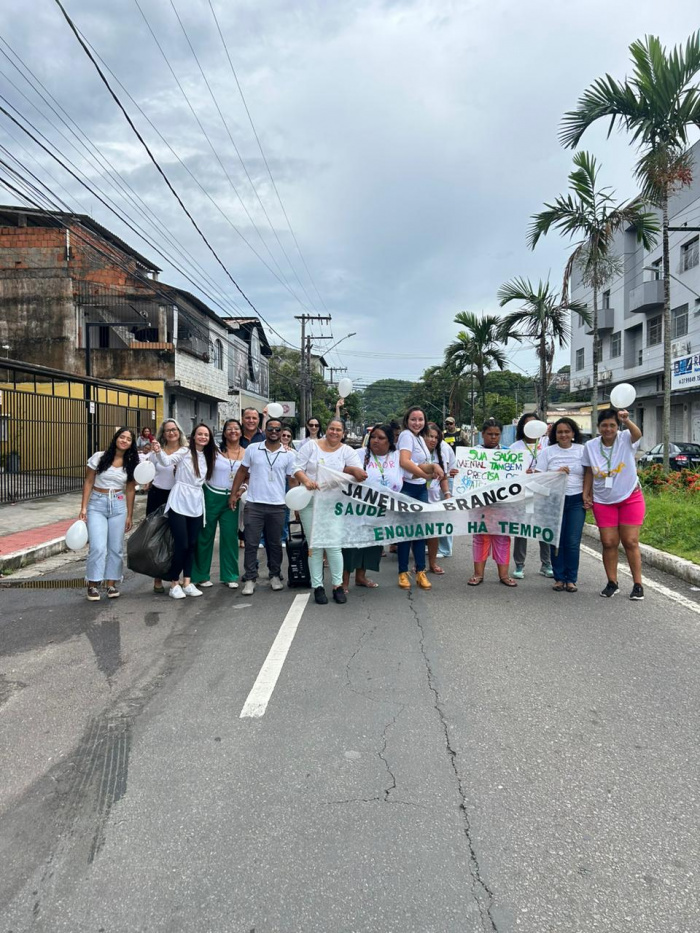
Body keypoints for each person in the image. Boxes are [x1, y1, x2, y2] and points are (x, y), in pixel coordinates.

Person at [294, 416, 367, 604]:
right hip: (310, 501)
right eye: (331, 428)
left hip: (334, 503)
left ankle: (337, 586)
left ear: (343, 433)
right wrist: (306, 481)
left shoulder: (347, 451)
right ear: (326, 429)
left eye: (338, 430)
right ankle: (317, 586)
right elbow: (296, 468)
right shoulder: (311, 446)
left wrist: (353, 472)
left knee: (334, 546)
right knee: (315, 546)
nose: (334, 432)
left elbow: (356, 475)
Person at [230, 418, 303, 596]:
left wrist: (297, 506)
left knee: (275, 544)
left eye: (278, 430)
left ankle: (275, 575)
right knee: (251, 543)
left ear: (281, 432)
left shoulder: (289, 455)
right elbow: (242, 472)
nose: (274, 432)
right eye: (270, 428)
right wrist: (233, 493)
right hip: (254, 504)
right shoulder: (253, 449)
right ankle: (250, 578)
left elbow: (292, 480)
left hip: (278, 505)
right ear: (265, 430)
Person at [582, 408, 645, 600]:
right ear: (598, 427)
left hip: (630, 497)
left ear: (617, 427)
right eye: (604, 425)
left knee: (630, 541)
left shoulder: (625, 438)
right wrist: (586, 493)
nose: (608, 429)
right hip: (603, 500)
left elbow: (637, 434)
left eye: (612, 425)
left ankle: (638, 584)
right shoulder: (591, 446)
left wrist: (626, 420)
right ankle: (612, 582)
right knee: (608, 542)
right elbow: (589, 472)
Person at [151, 424, 216, 599]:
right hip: (179, 499)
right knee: (182, 544)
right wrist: (158, 451)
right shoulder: (185, 451)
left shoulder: (210, 455)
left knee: (192, 543)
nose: (203, 437)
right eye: (200, 434)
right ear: (193, 436)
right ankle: (174, 583)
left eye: (206, 435)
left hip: (196, 501)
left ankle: (187, 581)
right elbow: (166, 461)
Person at [79, 427, 138, 601]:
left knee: (116, 548)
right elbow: (89, 481)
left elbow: (130, 490)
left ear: (131, 443)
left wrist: (129, 515)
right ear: (116, 438)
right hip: (97, 503)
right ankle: (93, 584)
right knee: (98, 547)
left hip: (118, 505)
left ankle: (111, 584)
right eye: (122, 437)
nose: (124, 441)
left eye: (128, 439)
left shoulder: (131, 463)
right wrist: (83, 507)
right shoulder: (99, 457)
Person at [342, 423, 399, 592]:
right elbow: (340, 469)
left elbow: (414, 471)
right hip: (356, 510)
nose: (375, 441)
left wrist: (433, 470)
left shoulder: (396, 456)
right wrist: (352, 470)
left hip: (381, 511)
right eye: (373, 437)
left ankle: (361, 577)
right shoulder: (359, 454)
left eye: (381, 438)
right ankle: (344, 581)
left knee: (372, 545)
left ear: (390, 441)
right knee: (351, 545)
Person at [190, 419, 245, 590]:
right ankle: (200, 575)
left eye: (236, 429)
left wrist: (240, 491)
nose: (233, 431)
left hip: (233, 497)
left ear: (241, 432)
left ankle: (230, 575)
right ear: (224, 432)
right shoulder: (213, 451)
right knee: (205, 536)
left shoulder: (247, 452)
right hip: (211, 494)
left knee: (230, 537)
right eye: (229, 429)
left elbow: (249, 475)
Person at [535, 417, 586, 592]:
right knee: (556, 540)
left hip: (576, 500)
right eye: (560, 432)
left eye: (567, 431)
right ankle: (558, 578)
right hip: (554, 500)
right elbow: (538, 477)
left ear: (573, 433)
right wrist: (556, 474)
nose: (563, 435)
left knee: (572, 541)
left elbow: (589, 474)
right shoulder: (547, 452)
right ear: (554, 435)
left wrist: (587, 495)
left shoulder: (582, 450)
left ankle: (571, 579)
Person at [397, 407, 443, 590]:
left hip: (420, 490)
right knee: (406, 534)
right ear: (407, 420)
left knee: (420, 533)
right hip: (407, 488)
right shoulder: (407, 435)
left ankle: (420, 572)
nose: (417, 423)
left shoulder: (419, 438)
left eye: (420, 419)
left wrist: (433, 467)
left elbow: (421, 464)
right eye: (413, 419)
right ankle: (402, 572)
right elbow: (405, 462)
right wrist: (425, 475)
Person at [469, 418, 517, 587]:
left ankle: (504, 575)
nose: (493, 437)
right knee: (480, 537)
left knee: (503, 537)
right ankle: (478, 574)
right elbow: (464, 475)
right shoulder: (472, 454)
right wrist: (456, 472)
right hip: (480, 504)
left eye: (497, 434)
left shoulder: (508, 453)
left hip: (502, 504)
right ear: (482, 435)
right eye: (490, 434)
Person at [146, 418, 188, 594]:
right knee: (157, 537)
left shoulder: (186, 452)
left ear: (179, 431)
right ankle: (157, 577)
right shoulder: (156, 452)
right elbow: (148, 472)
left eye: (174, 429)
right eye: (167, 430)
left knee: (177, 538)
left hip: (178, 496)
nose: (171, 432)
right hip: (157, 495)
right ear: (163, 434)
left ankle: (175, 576)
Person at [510, 412, 553, 579]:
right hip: (524, 492)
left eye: (535, 424)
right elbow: (510, 473)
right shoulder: (515, 447)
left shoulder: (547, 443)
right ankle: (519, 565)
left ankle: (546, 563)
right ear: (522, 427)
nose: (532, 428)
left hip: (543, 492)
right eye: (527, 424)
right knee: (522, 528)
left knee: (544, 527)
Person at [424, 424, 453, 574]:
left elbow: (444, 478)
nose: (433, 440)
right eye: (430, 436)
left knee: (433, 532)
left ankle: (432, 563)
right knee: (417, 533)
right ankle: (419, 564)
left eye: (436, 437)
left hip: (434, 499)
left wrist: (447, 494)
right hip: (418, 498)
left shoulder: (441, 453)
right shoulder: (415, 454)